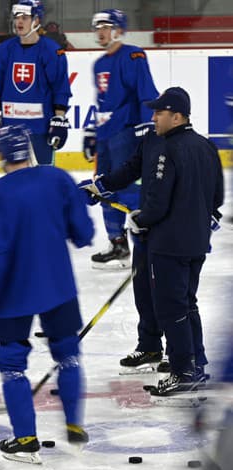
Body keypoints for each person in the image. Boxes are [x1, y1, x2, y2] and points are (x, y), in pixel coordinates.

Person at [0, 125, 94, 464]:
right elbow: (84, 232)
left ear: (0, 156)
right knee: (68, 353)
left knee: (12, 362)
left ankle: (26, 438)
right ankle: (74, 423)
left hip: (16, 291)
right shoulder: (58, 179)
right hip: (58, 284)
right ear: (29, 151)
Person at [126, 87, 224, 397]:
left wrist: (138, 220)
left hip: (168, 244)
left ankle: (183, 372)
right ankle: (196, 362)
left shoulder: (167, 149)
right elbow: (218, 197)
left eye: (160, 113)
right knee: (186, 302)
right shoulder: (207, 146)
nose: (153, 118)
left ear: (177, 116)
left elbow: (157, 205)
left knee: (171, 308)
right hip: (197, 242)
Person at [77, 126, 166, 371]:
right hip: (144, 231)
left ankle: (182, 354)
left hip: (170, 235)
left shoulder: (185, 146)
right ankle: (150, 346)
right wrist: (101, 186)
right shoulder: (150, 140)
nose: (153, 119)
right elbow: (130, 170)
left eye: (159, 113)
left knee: (173, 297)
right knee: (144, 291)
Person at [83, 9, 159, 270]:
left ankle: (147, 233)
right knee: (102, 186)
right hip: (106, 135)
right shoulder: (99, 64)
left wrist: (147, 125)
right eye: (98, 27)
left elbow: (146, 91)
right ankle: (118, 244)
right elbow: (103, 103)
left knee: (126, 187)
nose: (100, 32)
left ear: (119, 29)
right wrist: (92, 133)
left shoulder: (133, 55)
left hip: (126, 134)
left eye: (106, 26)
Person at [0, 0, 72, 166]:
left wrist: (59, 119)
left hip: (40, 128)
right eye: (17, 17)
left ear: (36, 20)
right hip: (10, 128)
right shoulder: (5, 49)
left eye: (24, 17)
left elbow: (60, 87)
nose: (19, 22)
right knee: (15, 180)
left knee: (44, 178)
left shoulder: (51, 50)